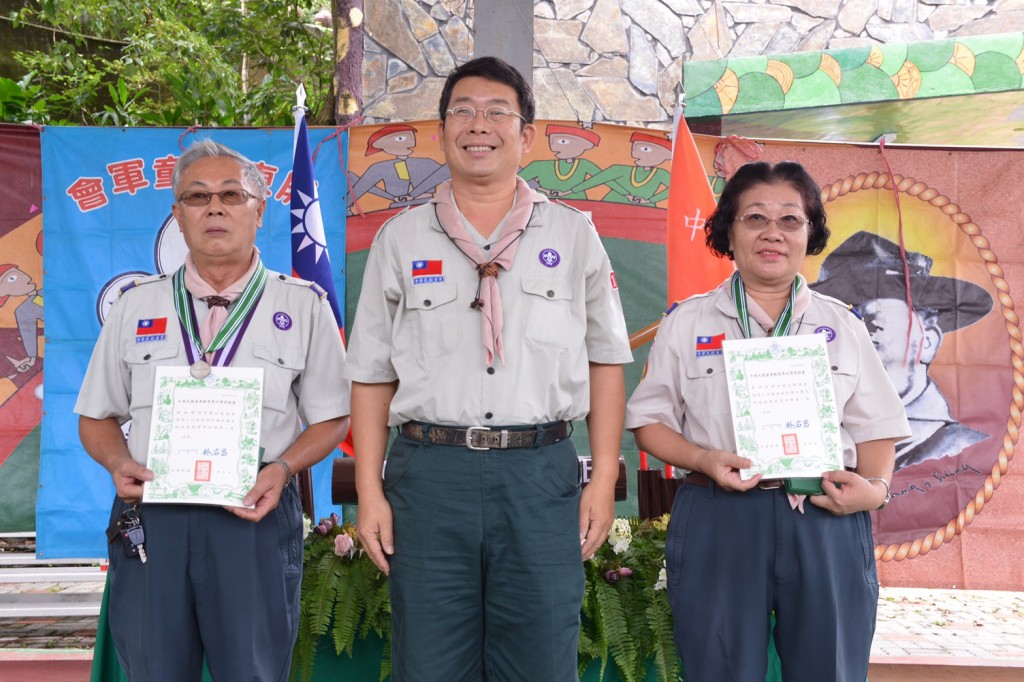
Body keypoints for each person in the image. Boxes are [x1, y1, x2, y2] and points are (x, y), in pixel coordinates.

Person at [345, 56, 632, 681]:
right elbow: (369, 373)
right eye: (464, 112)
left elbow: (607, 358)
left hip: (539, 474)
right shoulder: (400, 239)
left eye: (498, 112)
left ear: (526, 135)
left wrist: (603, 478)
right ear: (442, 131)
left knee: (541, 660)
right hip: (430, 476)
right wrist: (370, 490)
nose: (481, 125)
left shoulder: (575, 235)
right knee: (427, 662)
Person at [75, 139, 350, 681]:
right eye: (197, 197)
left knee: (251, 670)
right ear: (177, 215)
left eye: (231, 194)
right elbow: (95, 416)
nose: (215, 208)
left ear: (259, 207)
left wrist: (283, 469)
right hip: (157, 511)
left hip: (253, 509)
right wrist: (115, 462)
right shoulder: (137, 306)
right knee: (154, 670)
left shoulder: (302, 305)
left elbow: (332, 417)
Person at [625, 161, 911, 682]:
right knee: (719, 670)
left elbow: (876, 429)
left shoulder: (842, 325)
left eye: (790, 220)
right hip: (720, 518)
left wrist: (876, 490)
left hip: (826, 517)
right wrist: (704, 459)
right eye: (754, 217)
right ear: (728, 232)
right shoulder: (686, 322)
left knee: (831, 670)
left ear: (810, 234)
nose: (772, 232)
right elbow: (649, 423)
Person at [810, 230, 993, 471]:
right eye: (839, 329)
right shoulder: (812, 441)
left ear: (926, 341)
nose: (853, 342)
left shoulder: (961, 449)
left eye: (873, 325)